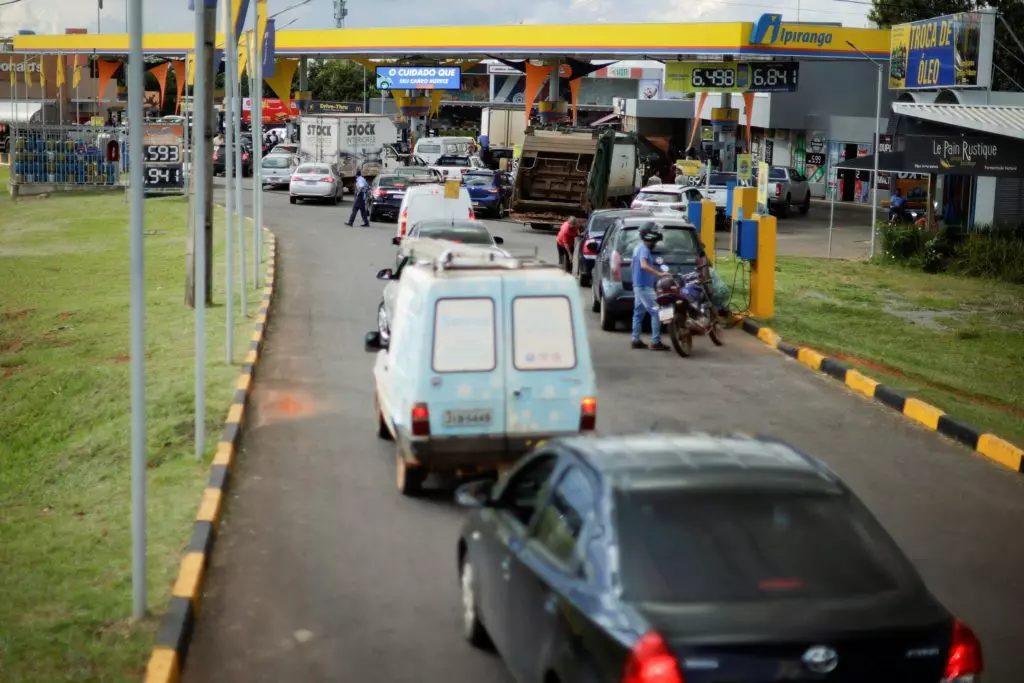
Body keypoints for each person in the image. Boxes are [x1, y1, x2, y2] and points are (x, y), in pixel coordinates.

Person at [631, 225, 670, 351]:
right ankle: (656, 342)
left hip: (638, 285)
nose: (655, 244)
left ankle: (635, 340)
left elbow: (633, 265)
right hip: (643, 287)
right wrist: (658, 274)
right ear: (651, 238)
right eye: (655, 241)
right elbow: (643, 265)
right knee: (657, 312)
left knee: (638, 314)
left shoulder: (637, 248)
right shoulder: (644, 250)